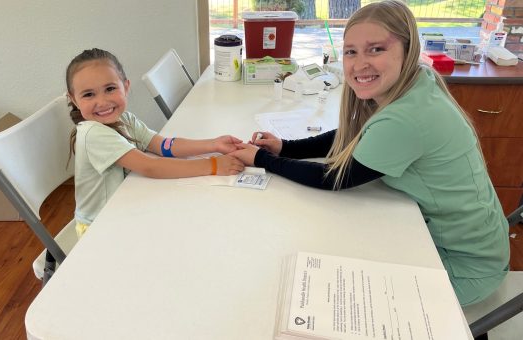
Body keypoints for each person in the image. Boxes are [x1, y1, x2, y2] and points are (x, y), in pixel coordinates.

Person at [230, 0, 509, 306]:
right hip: (471, 243)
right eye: (351, 51)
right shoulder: (416, 82)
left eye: (376, 49)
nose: (359, 63)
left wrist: (262, 160)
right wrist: (287, 147)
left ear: (407, 50)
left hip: (465, 267)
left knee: (343, 296)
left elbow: (335, 178)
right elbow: (360, 136)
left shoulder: (408, 118)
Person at [66, 48, 244, 237]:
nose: (101, 102)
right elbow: (151, 167)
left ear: (125, 87)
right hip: (99, 228)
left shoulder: (124, 118)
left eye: (110, 89)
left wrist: (213, 144)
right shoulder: (94, 133)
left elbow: (163, 146)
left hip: (125, 206)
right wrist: (213, 165)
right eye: (88, 94)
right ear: (73, 99)